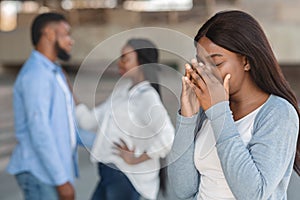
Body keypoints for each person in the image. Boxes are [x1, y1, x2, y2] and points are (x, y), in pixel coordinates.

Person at [168, 10, 300, 200]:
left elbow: (254, 194)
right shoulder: (207, 112)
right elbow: (182, 190)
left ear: (246, 61)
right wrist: (188, 118)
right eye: (201, 64)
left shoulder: (279, 113)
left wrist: (219, 111)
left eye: (216, 63)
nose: (207, 73)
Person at [6, 12, 94, 200]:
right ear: (49, 34)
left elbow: (67, 127)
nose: (71, 41)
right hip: (40, 174)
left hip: (53, 172)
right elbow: (40, 131)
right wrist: (61, 181)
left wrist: (104, 143)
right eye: (66, 33)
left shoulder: (55, 72)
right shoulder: (37, 75)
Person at [75, 38, 175, 200]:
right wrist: (68, 91)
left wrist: (136, 158)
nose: (120, 63)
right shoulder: (122, 90)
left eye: (125, 58)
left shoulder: (147, 97)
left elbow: (168, 138)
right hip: (108, 173)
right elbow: (89, 121)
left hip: (126, 179)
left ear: (141, 63)